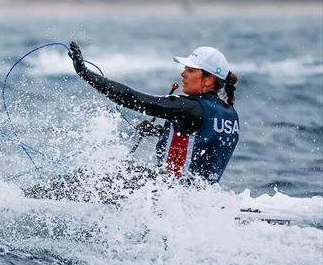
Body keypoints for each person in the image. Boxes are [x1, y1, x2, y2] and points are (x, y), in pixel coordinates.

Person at [68, 42, 240, 183]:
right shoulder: (229, 113)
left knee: (98, 174)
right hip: (201, 196)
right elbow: (203, 142)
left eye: (190, 70)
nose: (183, 74)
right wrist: (161, 132)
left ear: (209, 79)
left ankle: (46, 194)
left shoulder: (189, 107)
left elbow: (132, 98)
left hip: (172, 195)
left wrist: (84, 73)